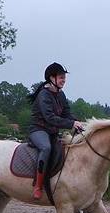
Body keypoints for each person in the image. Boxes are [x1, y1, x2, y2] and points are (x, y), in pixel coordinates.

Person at [28, 62, 84, 200]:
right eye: (61, 77)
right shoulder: (44, 95)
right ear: (52, 78)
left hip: (52, 132)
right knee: (46, 148)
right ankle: (38, 185)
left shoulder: (61, 94)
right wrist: (71, 123)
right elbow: (50, 118)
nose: (63, 80)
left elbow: (66, 114)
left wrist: (78, 123)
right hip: (38, 130)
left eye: (64, 77)